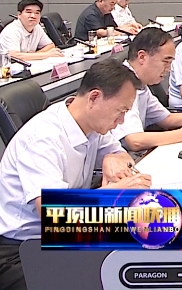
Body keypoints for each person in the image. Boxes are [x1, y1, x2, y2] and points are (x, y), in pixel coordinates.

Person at [0, 60, 150, 290]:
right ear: (94, 98)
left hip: (67, 232)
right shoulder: (43, 139)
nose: (121, 121)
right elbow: (55, 216)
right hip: (22, 250)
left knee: (151, 239)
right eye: (121, 111)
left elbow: (122, 155)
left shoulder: (91, 123)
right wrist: (113, 192)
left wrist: (112, 158)